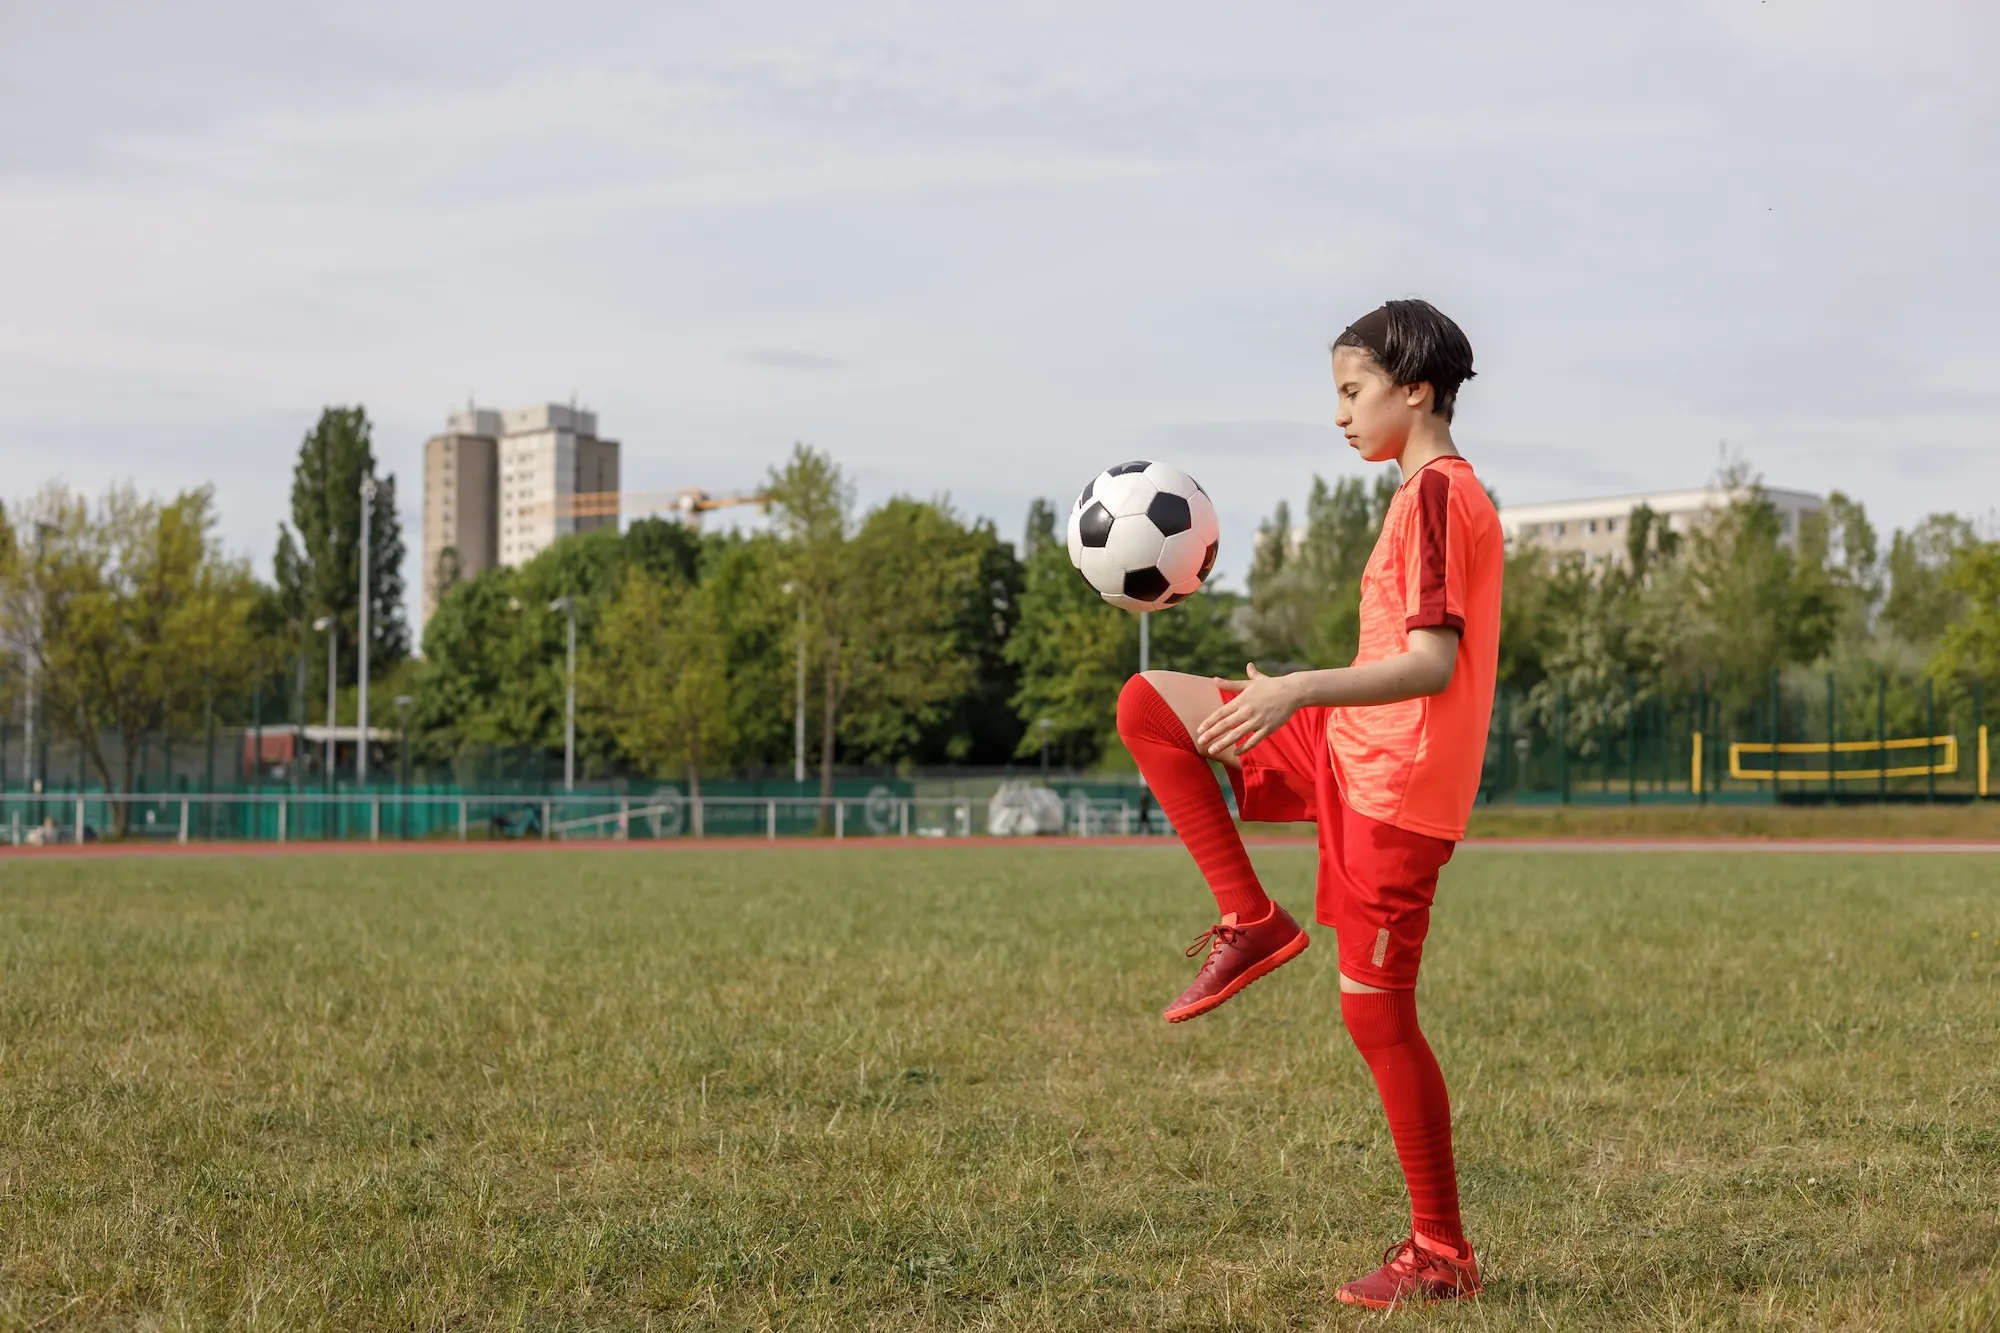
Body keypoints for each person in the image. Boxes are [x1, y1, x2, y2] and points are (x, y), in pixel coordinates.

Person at [1114, 298, 1502, 1309]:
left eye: (1350, 390)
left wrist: (1292, 689)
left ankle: (1440, 1252)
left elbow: (1427, 663)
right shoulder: (1421, 491)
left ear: (1412, 388)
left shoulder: (1435, 497)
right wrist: (1298, 693)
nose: (1336, 414)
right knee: (1150, 705)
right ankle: (1250, 918)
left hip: (1395, 789)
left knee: (1376, 1019)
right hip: (1349, 747)